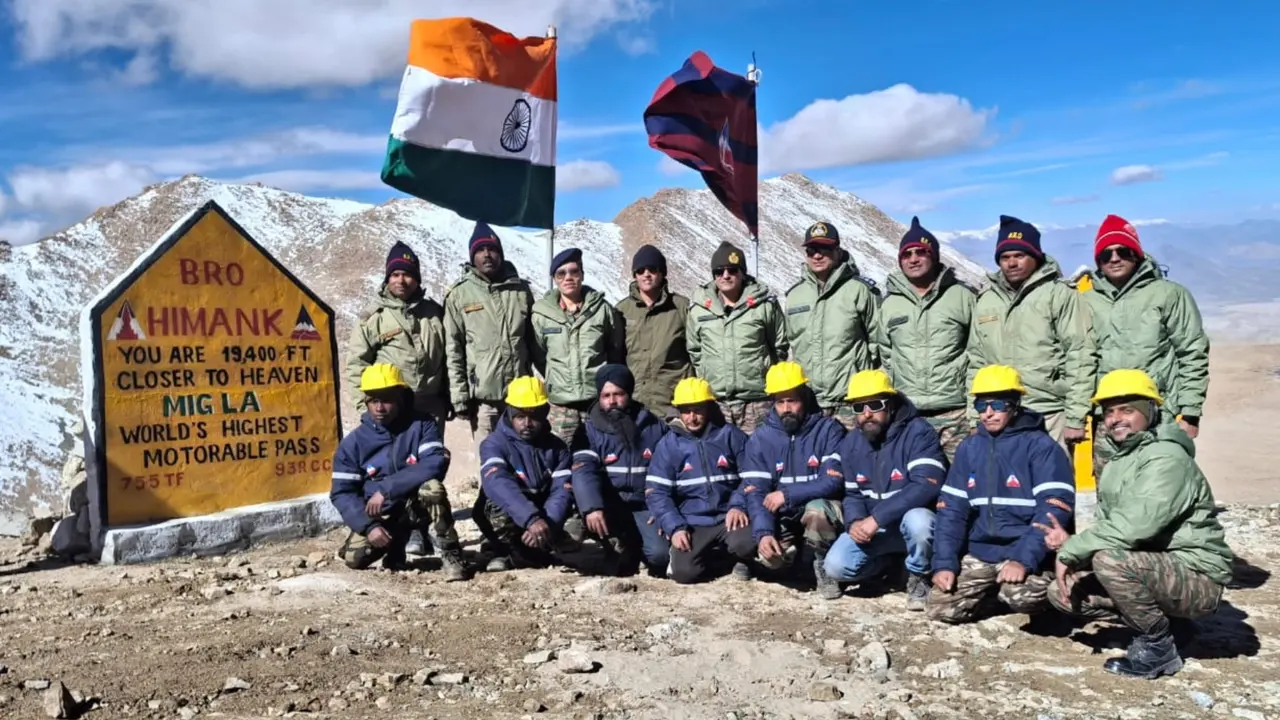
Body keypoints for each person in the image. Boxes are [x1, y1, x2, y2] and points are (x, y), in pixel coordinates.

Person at [1040, 369, 1232, 679]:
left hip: (1197, 576)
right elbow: (1114, 526)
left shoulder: (1165, 458)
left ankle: (1158, 648)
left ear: (1150, 411)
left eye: (1127, 409)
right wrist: (1073, 548)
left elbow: (1136, 526)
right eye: (1109, 411)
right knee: (1062, 593)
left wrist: (1074, 550)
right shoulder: (1122, 459)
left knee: (1110, 561)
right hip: (1156, 567)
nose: (1116, 418)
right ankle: (1173, 627)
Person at [928, 365, 1075, 624]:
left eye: (997, 405)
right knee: (940, 607)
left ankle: (1046, 602)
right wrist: (944, 563)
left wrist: (1023, 560)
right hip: (982, 552)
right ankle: (994, 598)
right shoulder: (969, 448)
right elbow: (951, 509)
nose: (988, 413)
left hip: (1027, 551)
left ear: (1015, 404)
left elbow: (1052, 511)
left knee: (1021, 596)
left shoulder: (1041, 447)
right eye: (981, 406)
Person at [344, 241, 452, 557]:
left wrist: (451, 398)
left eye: (407, 274)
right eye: (395, 274)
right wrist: (364, 405)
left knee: (429, 468)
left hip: (430, 404)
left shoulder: (434, 313)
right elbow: (356, 365)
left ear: (416, 278)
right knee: (397, 468)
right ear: (387, 278)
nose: (401, 280)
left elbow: (448, 357)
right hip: (394, 409)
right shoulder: (372, 318)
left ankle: (428, 526)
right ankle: (407, 531)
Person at [1081, 215, 1209, 474]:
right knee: (1110, 489)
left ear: (1136, 254)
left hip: (1160, 414)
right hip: (1108, 418)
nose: (1114, 258)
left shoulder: (1169, 294)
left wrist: (1190, 411)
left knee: (1163, 484)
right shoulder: (1084, 300)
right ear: (1098, 261)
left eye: (1123, 250)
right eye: (1106, 254)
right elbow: (1077, 358)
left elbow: (1192, 353)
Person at [967, 215, 1097, 451]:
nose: (1012, 263)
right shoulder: (986, 301)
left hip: (1049, 412)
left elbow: (1080, 355)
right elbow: (976, 361)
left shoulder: (1059, 295)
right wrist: (973, 414)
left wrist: (1076, 416)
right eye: (1005, 257)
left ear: (1035, 257)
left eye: (1019, 256)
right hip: (999, 412)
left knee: (1052, 482)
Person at [330, 364, 468, 580]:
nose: (380, 408)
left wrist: (386, 489)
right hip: (381, 514)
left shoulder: (422, 425)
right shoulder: (353, 443)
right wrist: (369, 526)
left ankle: (451, 554)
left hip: (415, 505)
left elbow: (434, 462)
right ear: (366, 402)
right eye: (374, 401)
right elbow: (342, 492)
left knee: (432, 489)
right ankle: (395, 546)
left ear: (401, 398)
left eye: (386, 400)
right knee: (353, 560)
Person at [824, 370, 947, 610]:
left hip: (907, 525)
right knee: (836, 566)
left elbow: (926, 484)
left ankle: (918, 576)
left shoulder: (918, 432)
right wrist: (856, 521)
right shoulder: (851, 443)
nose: (867, 413)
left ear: (890, 404)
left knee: (919, 521)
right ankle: (887, 568)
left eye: (874, 405)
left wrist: (876, 518)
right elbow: (853, 494)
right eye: (859, 408)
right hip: (876, 529)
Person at [740, 361, 848, 598]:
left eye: (793, 400)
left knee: (818, 511)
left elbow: (833, 482)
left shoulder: (829, 430)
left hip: (818, 513)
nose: (787, 408)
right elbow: (756, 490)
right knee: (770, 560)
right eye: (780, 401)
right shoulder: (760, 438)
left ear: (805, 399)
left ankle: (823, 566)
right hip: (783, 516)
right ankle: (786, 559)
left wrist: (787, 494)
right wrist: (764, 534)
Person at [444, 221, 539, 487]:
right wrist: (460, 396)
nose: (487, 254)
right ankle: (493, 520)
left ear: (501, 253)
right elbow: (453, 349)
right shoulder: (459, 294)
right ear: (472, 256)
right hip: (483, 400)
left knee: (523, 461)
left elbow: (533, 343)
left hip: (521, 398)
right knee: (491, 465)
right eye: (480, 250)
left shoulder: (520, 290)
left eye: (492, 249)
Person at [876, 217, 976, 460]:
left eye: (921, 252)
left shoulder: (962, 296)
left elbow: (978, 353)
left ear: (934, 256)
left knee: (961, 484)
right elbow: (886, 355)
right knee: (917, 484)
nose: (913, 259)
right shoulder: (890, 304)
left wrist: (974, 411)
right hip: (909, 415)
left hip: (956, 414)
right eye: (907, 254)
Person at [645, 377, 756, 584]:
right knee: (684, 574)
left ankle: (741, 558)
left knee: (748, 542)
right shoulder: (668, 444)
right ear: (678, 411)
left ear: (709, 408)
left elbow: (752, 475)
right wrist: (675, 527)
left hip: (728, 516)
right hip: (692, 521)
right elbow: (657, 491)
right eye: (686, 411)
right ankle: (713, 557)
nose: (692, 417)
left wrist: (739, 505)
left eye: (698, 410)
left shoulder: (730, 435)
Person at [570, 364, 670, 577]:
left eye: (619, 394)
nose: (612, 401)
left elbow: (669, 471)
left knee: (660, 557)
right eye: (606, 396)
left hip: (644, 505)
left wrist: (663, 509)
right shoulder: (588, 430)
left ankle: (637, 546)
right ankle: (616, 547)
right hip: (608, 506)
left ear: (630, 394)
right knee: (612, 559)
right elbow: (584, 471)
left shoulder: (653, 426)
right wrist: (591, 507)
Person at [784, 221, 881, 430]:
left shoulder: (860, 291)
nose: (817, 256)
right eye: (811, 250)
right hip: (809, 405)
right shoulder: (794, 296)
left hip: (850, 403)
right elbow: (790, 343)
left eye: (824, 249)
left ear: (837, 251)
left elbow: (879, 343)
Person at [687, 241, 789, 433]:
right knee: (721, 461)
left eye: (732, 270)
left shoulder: (764, 305)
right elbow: (695, 352)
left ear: (742, 273)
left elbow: (779, 346)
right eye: (719, 271)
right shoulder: (698, 310)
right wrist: (709, 375)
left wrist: (765, 374)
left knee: (758, 460)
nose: (725, 275)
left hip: (757, 404)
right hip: (718, 405)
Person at [476, 376, 576, 571]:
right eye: (520, 417)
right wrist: (530, 518)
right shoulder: (494, 444)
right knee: (495, 501)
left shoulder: (557, 448)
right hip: (519, 514)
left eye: (534, 417)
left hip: (541, 518)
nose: (527, 424)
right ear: (510, 414)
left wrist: (548, 522)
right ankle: (500, 550)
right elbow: (496, 481)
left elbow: (562, 490)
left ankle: (534, 548)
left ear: (544, 413)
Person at [532, 247, 625, 446]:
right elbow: (539, 355)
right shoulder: (542, 315)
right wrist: (557, 379)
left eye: (574, 272)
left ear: (582, 274)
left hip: (596, 402)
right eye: (561, 273)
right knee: (561, 458)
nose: (568, 278)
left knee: (601, 455)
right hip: (560, 406)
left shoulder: (602, 310)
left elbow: (615, 351)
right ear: (555, 279)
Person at [615, 245, 693, 419]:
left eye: (652, 269)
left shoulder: (681, 307)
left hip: (673, 406)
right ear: (635, 275)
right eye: (640, 270)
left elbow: (696, 353)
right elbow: (616, 357)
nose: (646, 274)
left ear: (662, 273)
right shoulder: (622, 310)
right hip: (634, 405)